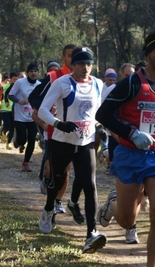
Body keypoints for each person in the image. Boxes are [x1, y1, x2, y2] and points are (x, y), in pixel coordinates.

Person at [96, 31, 155, 266]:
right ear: (147, 54)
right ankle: (113, 205)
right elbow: (102, 114)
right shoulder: (132, 83)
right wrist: (131, 133)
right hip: (129, 155)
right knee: (126, 220)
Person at [38, 46, 106, 254]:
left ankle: (91, 233)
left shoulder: (98, 84)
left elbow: (98, 112)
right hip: (62, 141)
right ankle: (49, 208)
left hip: (86, 143)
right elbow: (42, 110)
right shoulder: (61, 83)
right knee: (57, 181)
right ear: (72, 65)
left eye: (88, 63)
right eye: (80, 63)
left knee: (90, 185)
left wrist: (100, 128)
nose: (85, 68)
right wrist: (59, 124)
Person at [29, 43, 76, 214]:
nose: (74, 59)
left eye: (76, 55)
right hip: (53, 129)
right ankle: (47, 182)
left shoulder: (85, 79)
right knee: (51, 169)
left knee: (66, 169)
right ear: (63, 57)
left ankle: (57, 201)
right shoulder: (53, 76)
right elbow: (34, 97)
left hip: (73, 132)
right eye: (70, 55)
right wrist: (45, 116)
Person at [8, 63, 41, 172]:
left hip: (33, 117)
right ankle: (18, 142)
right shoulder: (20, 83)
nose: (33, 73)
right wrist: (19, 101)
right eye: (31, 71)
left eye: (35, 71)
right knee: (23, 139)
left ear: (37, 73)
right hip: (20, 116)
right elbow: (10, 95)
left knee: (32, 140)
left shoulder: (40, 85)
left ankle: (26, 162)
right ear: (27, 73)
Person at [0, 72, 18, 150]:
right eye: (14, 79)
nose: (15, 81)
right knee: (8, 124)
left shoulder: (18, 87)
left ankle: (9, 142)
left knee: (12, 126)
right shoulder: (5, 87)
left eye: (17, 79)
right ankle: (4, 132)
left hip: (13, 109)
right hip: (4, 108)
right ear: (10, 79)